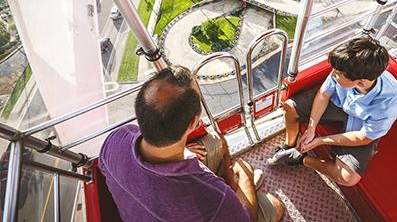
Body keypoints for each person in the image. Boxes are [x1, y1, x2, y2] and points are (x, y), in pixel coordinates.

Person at [100, 66, 284, 222]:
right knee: (275, 206)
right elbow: (245, 218)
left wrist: (183, 152)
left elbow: (105, 168)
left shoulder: (115, 140)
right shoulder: (212, 198)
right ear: (193, 123)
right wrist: (245, 178)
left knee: (212, 145)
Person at [268, 37, 397, 187]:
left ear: (360, 82)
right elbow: (324, 94)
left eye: (338, 73)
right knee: (290, 107)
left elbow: (364, 137)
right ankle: (290, 146)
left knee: (348, 178)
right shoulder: (347, 68)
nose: (333, 74)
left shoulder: (391, 99)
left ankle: (298, 158)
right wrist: (311, 129)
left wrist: (320, 141)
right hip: (339, 103)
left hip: (362, 124)